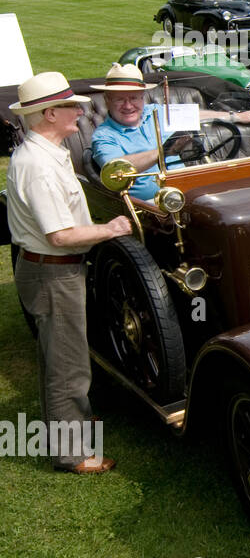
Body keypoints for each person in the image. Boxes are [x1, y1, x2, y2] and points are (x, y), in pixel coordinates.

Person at [7, 72, 134, 473]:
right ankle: (72, 453)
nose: (80, 111)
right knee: (69, 367)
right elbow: (60, 235)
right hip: (53, 273)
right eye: (70, 106)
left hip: (49, 271)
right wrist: (110, 229)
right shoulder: (39, 167)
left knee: (57, 357)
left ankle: (70, 423)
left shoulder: (44, 153)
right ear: (48, 113)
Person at [91, 63, 250, 200]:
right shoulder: (104, 136)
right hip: (153, 206)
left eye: (134, 98)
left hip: (188, 192)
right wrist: (162, 152)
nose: (128, 106)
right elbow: (115, 170)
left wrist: (234, 116)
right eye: (120, 99)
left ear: (142, 97)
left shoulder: (154, 112)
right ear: (107, 101)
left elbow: (196, 115)